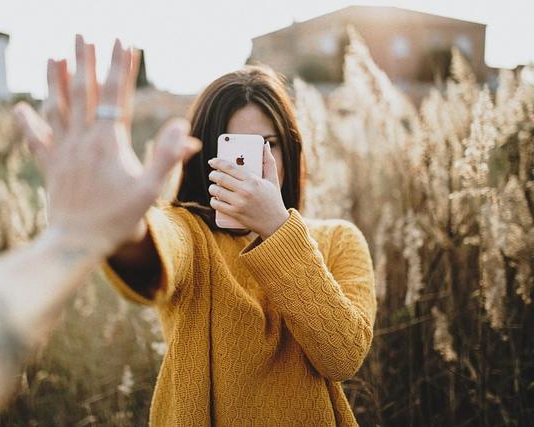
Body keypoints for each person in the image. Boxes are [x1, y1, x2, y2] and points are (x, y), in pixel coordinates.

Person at [34, 45, 377, 426]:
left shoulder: (339, 240)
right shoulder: (189, 232)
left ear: (291, 149)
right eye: (235, 150)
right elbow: (156, 248)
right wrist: (127, 224)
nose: (254, 167)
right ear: (204, 159)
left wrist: (278, 229)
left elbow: (343, 356)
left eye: (270, 145)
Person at [0, 35, 200, 427]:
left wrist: (75, 236)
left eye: (270, 145)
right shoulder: (191, 231)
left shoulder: (307, 237)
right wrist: (80, 236)